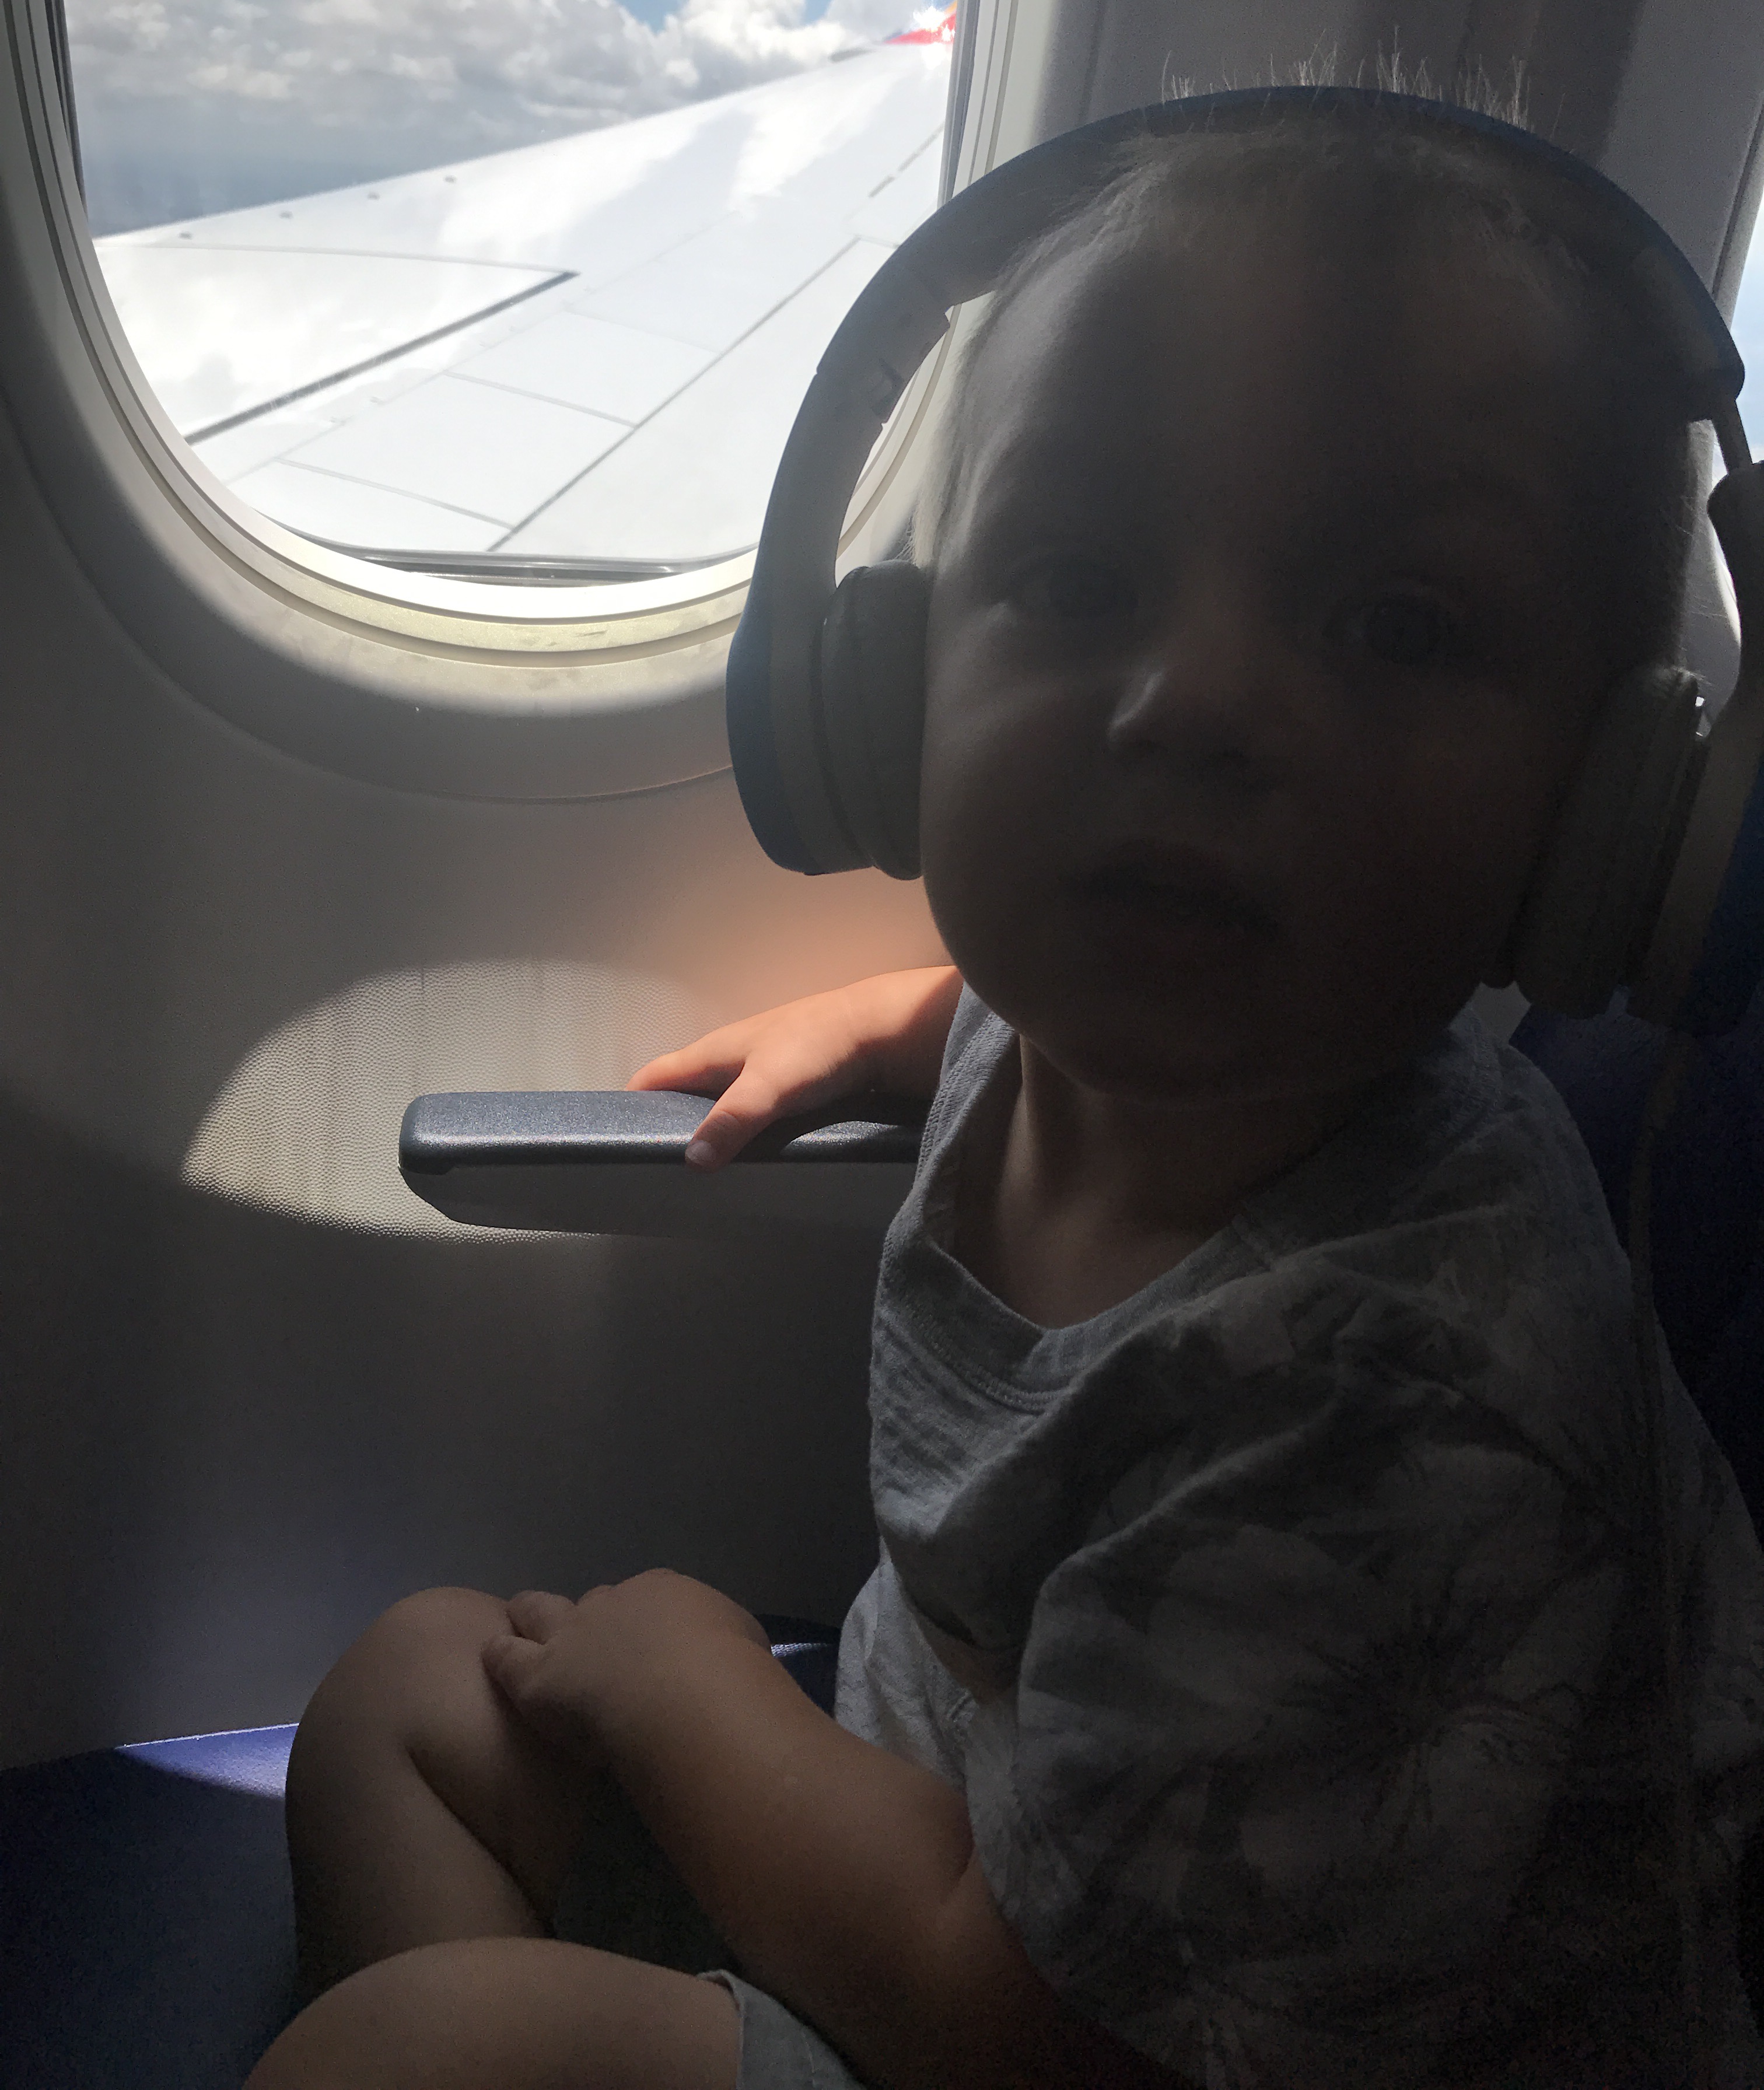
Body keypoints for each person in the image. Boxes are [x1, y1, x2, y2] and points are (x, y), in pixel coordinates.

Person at [246, 100, 1764, 2090]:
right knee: (406, 1703)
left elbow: (1027, 2026)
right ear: (889, 689)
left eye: (1401, 625)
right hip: (947, 1850)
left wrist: (695, 1693)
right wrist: (905, 1021)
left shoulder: (1411, 1405)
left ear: (1612, 818)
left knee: (435, 2046)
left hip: (1102, 2034)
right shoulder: (1094, 1031)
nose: (1194, 699)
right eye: (1077, 574)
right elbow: (1024, 994)